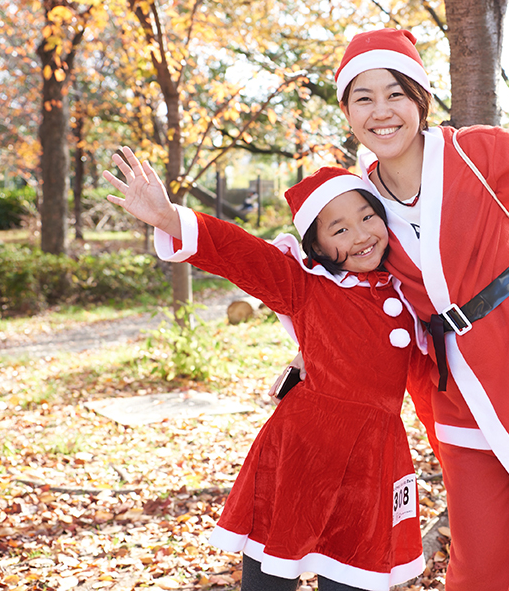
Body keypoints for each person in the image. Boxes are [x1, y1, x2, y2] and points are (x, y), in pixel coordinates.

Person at [331, 0, 509, 590]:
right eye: (362, 98)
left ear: (419, 101)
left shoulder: (476, 153)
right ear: (347, 112)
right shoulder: (354, 200)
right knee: (477, 570)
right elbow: (349, 295)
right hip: (460, 399)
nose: (381, 111)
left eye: (395, 93)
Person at [103, 155, 437, 591]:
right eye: (339, 230)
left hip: (375, 458)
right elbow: (241, 253)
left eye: (368, 217)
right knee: (272, 570)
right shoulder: (306, 286)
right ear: (316, 248)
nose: (360, 236)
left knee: (354, 571)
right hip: (303, 451)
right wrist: (169, 217)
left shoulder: (410, 285)